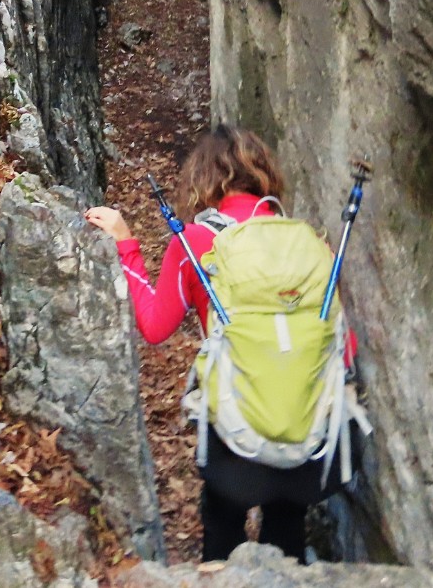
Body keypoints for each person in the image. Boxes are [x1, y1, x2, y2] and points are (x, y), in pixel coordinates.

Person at [84, 125, 349, 563]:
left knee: (222, 527)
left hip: (235, 442)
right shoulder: (309, 243)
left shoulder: (196, 242)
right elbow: (341, 342)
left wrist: (126, 243)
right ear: (264, 174)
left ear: (203, 179)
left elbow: (154, 326)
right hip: (307, 438)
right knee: (287, 529)